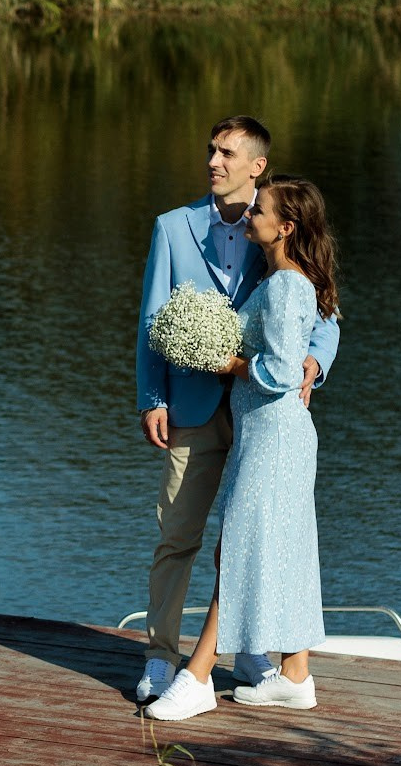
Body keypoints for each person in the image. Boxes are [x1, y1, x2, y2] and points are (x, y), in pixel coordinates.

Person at [132, 117, 338, 706]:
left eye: (226, 153)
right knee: (179, 535)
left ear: (256, 166)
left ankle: (246, 652)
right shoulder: (173, 227)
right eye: (211, 151)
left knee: (248, 539)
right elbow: (152, 322)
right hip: (192, 406)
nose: (213, 162)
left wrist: (313, 363)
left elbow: (323, 312)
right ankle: (161, 657)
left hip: (264, 413)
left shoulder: (275, 221)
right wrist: (153, 398)